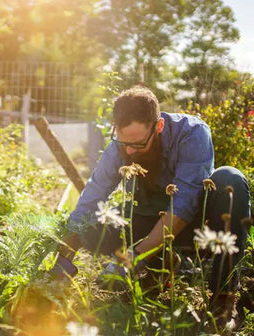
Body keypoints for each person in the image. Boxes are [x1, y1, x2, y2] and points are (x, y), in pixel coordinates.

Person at [51, 86, 251, 302]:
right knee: (90, 227)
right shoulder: (120, 146)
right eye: (123, 142)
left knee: (230, 179)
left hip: (196, 228)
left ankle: (223, 299)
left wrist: (133, 257)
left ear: (159, 126)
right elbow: (91, 199)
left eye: (138, 143)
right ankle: (163, 263)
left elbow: (183, 205)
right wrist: (63, 257)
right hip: (147, 222)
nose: (129, 151)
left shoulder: (192, 133)